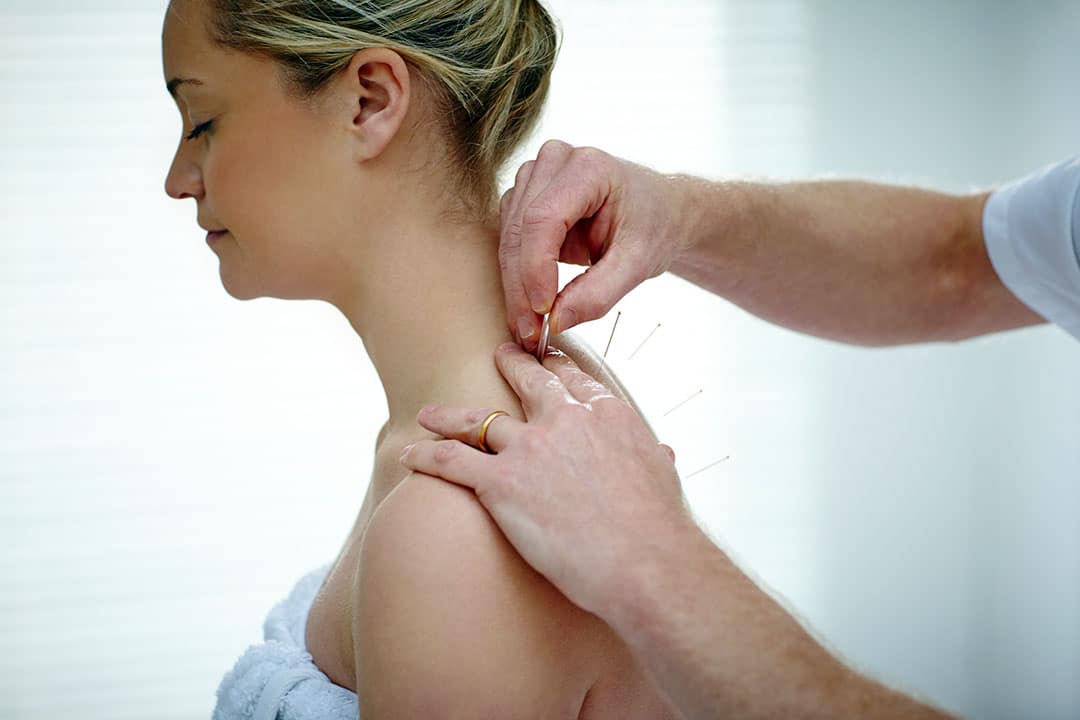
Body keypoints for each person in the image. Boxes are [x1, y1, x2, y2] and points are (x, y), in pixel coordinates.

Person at [399, 140, 1080, 718]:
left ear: (372, 98)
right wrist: (682, 210)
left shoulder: (446, 535)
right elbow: (958, 259)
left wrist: (647, 553)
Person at [162, 2, 681, 718]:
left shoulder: (460, 516)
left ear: (369, 100)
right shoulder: (475, 424)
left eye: (201, 122)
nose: (178, 177)